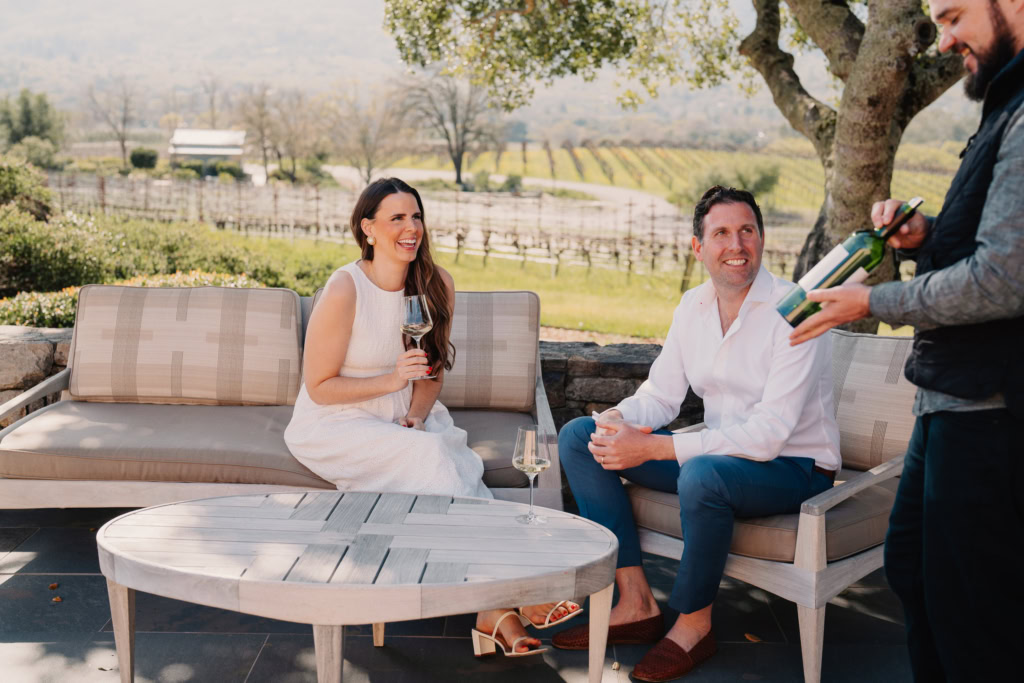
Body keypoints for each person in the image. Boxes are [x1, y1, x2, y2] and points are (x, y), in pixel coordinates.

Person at [787, 1, 1024, 679]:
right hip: (948, 399)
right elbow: (992, 247)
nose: (943, 40)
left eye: (953, 17)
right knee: (915, 569)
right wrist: (930, 237)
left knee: (973, 616)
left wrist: (872, 301)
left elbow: (1003, 281)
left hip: (989, 411)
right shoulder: (1006, 104)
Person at [555, 186, 841, 681]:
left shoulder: (797, 308)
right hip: (719, 460)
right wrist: (620, 420)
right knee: (582, 437)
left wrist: (658, 446)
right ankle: (637, 602)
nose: (737, 244)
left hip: (795, 468)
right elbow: (662, 395)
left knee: (702, 475)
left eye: (747, 230)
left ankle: (694, 626)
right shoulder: (693, 305)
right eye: (722, 233)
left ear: (762, 238)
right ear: (698, 247)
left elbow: (769, 435)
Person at [284, 177, 578, 657]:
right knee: (439, 461)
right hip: (337, 421)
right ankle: (514, 590)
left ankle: (493, 610)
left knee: (443, 454)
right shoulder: (345, 288)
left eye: (416, 216)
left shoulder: (436, 284)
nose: (411, 228)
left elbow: (432, 373)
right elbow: (318, 387)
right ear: (368, 228)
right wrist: (391, 382)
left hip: (407, 418)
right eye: (397, 218)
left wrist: (416, 417)